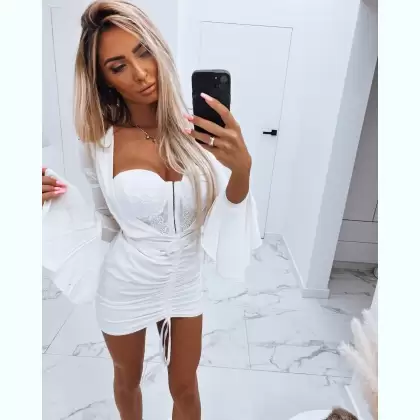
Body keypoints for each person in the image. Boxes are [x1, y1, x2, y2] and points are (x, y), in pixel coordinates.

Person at [41, 1, 261, 419]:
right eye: (118, 66)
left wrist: (242, 169)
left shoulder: (199, 131)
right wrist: (52, 199)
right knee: (128, 379)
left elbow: (223, 213)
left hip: (185, 281)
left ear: (158, 48)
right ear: (104, 80)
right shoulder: (99, 144)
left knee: (186, 389)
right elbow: (105, 222)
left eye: (143, 52)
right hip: (125, 283)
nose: (141, 73)